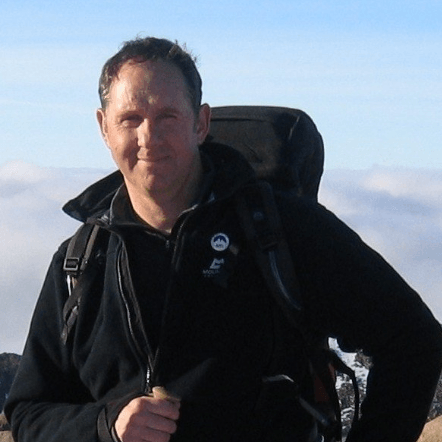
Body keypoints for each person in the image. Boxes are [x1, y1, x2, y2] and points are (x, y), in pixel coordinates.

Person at [5, 36, 442, 442]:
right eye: (130, 119)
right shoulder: (80, 261)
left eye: (167, 117)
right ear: (104, 128)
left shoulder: (282, 231)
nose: (148, 137)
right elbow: (29, 412)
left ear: (201, 123)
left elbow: (414, 341)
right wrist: (106, 425)